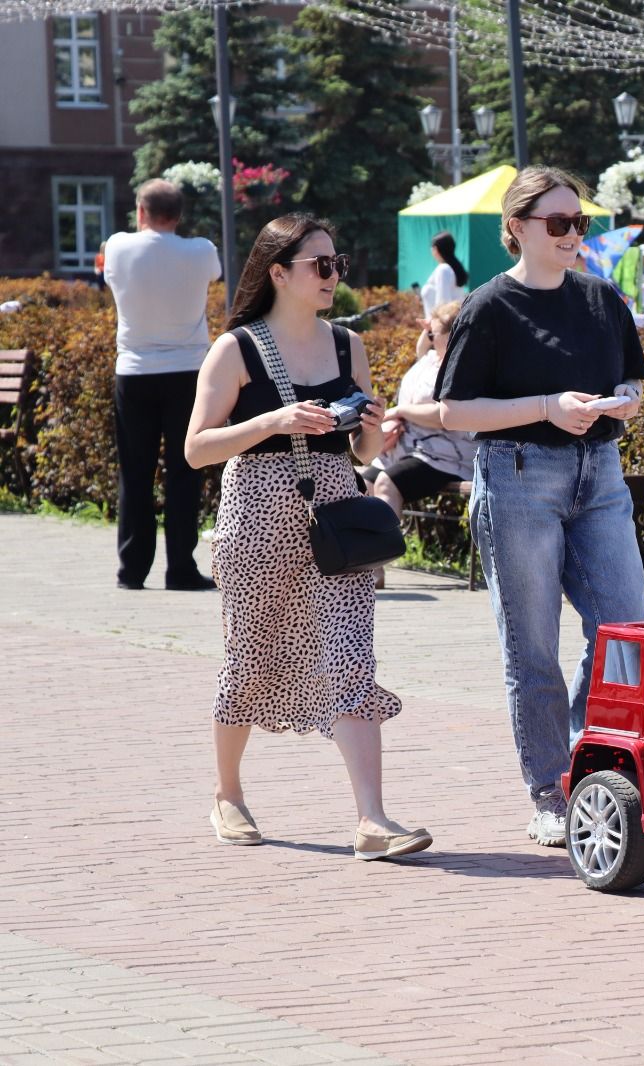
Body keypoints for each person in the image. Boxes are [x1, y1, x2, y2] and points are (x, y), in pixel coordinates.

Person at [184, 213, 430, 861]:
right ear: (277, 274)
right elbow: (196, 449)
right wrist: (271, 420)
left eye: (336, 263)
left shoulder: (348, 346)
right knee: (250, 657)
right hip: (257, 510)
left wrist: (376, 431)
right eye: (320, 265)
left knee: (351, 657)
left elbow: (365, 449)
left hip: (336, 510)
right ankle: (228, 795)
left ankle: (372, 820)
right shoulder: (235, 348)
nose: (333, 276)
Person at [435, 166, 644, 846]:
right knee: (532, 647)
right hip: (519, 473)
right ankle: (550, 794)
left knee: (627, 629)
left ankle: (591, 768)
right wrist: (547, 409)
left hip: (602, 474)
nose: (572, 234)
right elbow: (451, 409)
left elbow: (632, 381)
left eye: (579, 222)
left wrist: (624, 402)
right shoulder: (488, 307)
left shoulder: (600, 297)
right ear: (518, 228)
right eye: (558, 223)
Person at [103, 178, 222, 591]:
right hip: (189, 371)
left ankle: (131, 571)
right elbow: (216, 274)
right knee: (184, 471)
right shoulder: (202, 251)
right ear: (181, 215)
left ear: (140, 211)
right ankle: (181, 570)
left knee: (134, 473)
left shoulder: (118, 246)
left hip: (134, 371)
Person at [361, 299, 475, 519]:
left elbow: (444, 416)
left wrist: (399, 412)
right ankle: (367, 552)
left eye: (435, 335)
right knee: (363, 484)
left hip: (444, 456)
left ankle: (385, 550)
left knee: (387, 483)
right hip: (407, 449)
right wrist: (429, 329)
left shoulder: (463, 367)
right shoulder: (431, 358)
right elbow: (421, 347)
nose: (431, 341)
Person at [420, 231, 468, 319]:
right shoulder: (449, 268)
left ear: (435, 249)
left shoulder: (443, 270)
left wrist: (434, 329)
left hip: (440, 328)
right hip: (443, 326)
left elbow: (443, 303)